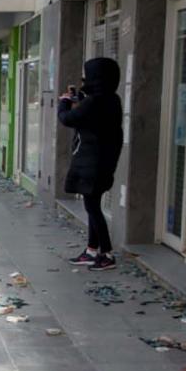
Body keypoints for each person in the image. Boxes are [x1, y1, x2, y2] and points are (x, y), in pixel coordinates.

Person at [58, 57, 124, 271]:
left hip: (92, 163)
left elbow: (67, 118)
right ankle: (91, 250)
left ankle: (106, 254)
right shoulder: (112, 99)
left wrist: (64, 102)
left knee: (92, 207)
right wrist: (81, 99)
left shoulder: (94, 102)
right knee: (92, 204)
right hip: (104, 162)